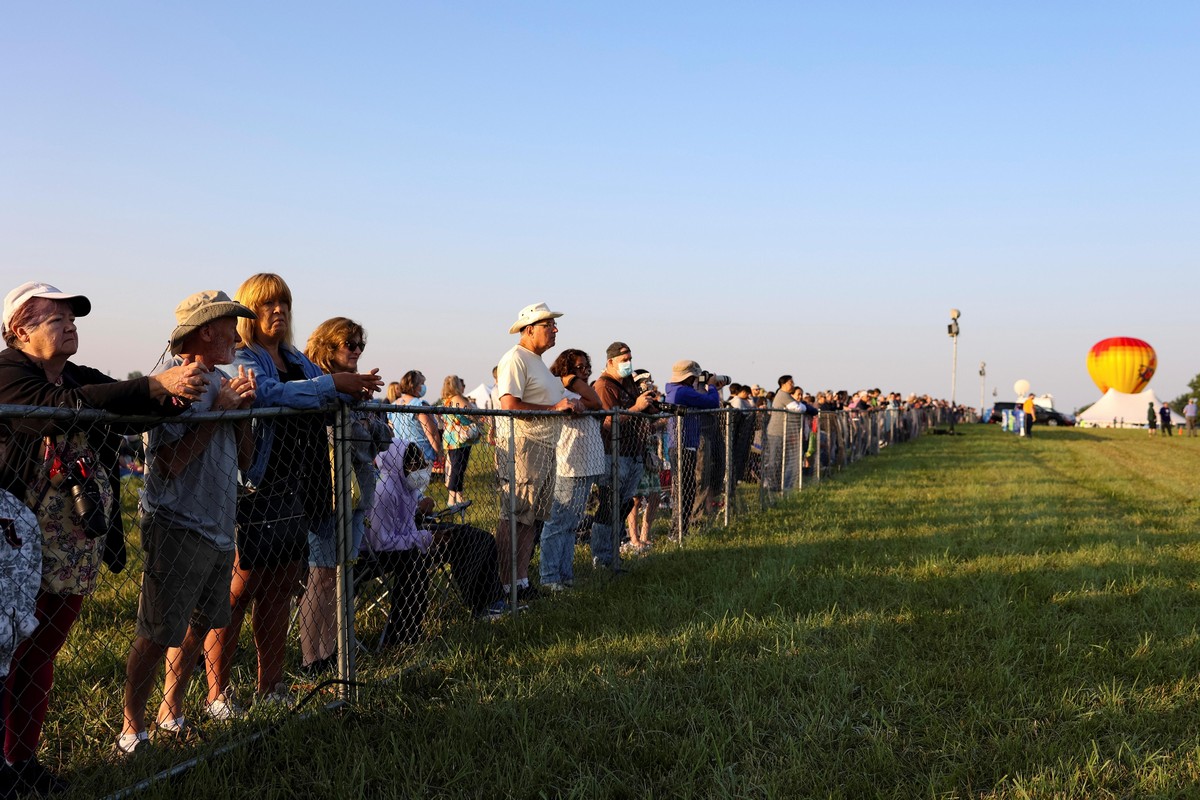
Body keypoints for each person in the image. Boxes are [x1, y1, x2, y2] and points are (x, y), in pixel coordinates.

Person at [0, 281, 202, 795]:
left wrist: (178, 394)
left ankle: (22, 762)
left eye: (73, 317)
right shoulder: (6, 374)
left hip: (74, 540)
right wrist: (155, 386)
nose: (70, 325)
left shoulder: (77, 376)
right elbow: (61, 407)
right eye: (55, 318)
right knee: (10, 655)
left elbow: (125, 404)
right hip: (16, 543)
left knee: (43, 651)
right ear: (19, 330)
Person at [203, 274, 381, 716]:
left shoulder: (296, 358)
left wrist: (352, 387)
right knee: (239, 590)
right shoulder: (242, 357)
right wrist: (332, 386)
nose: (278, 311)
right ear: (249, 312)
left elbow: (319, 392)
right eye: (266, 305)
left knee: (282, 587)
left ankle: (272, 684)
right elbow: (267, 393)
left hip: (303, 483)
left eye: (283, 303)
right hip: (259, 487)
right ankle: (218, 693)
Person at [118, 290, 258, 755]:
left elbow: (246, 460)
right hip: (177, 522)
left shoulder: (223, 382)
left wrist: (240, 417)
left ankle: (170, 711)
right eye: (229, 326)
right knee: (158, 631)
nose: (238, 336)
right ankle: (131, 727)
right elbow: (168, 466)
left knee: (198, 626)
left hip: (220, 523)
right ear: (204, 332)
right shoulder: (178, 385)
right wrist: (218, 413)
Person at [300, 317, 391, 676]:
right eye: (348, 344)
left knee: (340, 574)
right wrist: (358, 415)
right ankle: (312, 659)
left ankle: (334, 652)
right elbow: (350, 436)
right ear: (328, 347)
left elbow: (383, 437)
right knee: (320, 575)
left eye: (359, 345)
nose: (355, 351)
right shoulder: (316, 388)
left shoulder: (357, 396)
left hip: (356, 495)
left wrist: (363, 410)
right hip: (327, 493)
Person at [364, 440, 507, 645]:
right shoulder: (384, 491)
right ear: (397, 465)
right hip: (387, 553)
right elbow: (382, 543)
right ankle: (403, 635)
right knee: (415, 560)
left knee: (476, 537)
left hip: (414, 538)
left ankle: (489, 603)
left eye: (422, 463)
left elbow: (411, 520)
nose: (421, 469)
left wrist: (423, 509)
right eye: (415, 465)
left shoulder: (406, 486)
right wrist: (428, 538)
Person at [494, 302, 580, 599]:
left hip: (544, 447)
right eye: (548, 325)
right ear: (529, 330)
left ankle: (521, 583)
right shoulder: (516, 358)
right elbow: (510, 406)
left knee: (532, 519)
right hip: (524, 446)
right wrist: (554, 408)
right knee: (516, 517)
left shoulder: (537, 361)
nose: (555, 330)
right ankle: (506, 586)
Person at [539, 349, 603, 591]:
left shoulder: (577, 392)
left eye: (587, 367)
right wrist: (572, 380)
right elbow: (596, 402)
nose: (585, 372)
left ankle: (564, 574)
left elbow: (594, 403)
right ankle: (549, 576)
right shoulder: (561, 388)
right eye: (579, 367)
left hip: (585, 463)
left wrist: (578, 383)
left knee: (571, 523)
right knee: (557, 522)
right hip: (569, 463)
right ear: (565, 368)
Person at [590, 342, 657, 565]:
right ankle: (602, 556)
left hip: (634, 451)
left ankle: (614, 553)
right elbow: (609, 421)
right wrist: (637, 408)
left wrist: (649, 405)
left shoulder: (628, 382)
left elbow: (642, 410)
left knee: (624, 504)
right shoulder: (603, 386)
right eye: (623, 360)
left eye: (630, 359)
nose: (628, 364)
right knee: (609, 506)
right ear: (610, 362)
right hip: (614, 453)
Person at [663, 360, 723, 537]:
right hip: (683, 444)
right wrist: (711, 386)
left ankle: (681, 529)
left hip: (685, 443)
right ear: (690, 377)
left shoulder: (677, 390)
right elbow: (712, 403)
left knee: (687, 489)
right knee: (685, 490)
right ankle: (677, 531)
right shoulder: (682, 392)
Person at [440, 375, 479, 507]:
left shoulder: (446, 400)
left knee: (456, 466)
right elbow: (473, 413)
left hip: (450, 438)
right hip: (460, 438)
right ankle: (452, 498)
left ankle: (458, 496)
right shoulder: (458, 399)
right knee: (458, 468)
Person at [765, 375, 798, 489]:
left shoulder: (787, 395)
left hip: (783, 432)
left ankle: (778, 483)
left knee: (782, 459)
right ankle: (771, 483)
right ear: (783, 384)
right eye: (790, 382)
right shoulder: (783, 395)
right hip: (776, 432)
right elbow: (798, 408)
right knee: (775, 459)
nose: (793, 384)